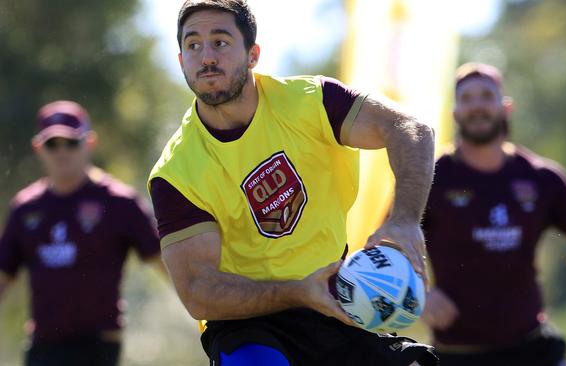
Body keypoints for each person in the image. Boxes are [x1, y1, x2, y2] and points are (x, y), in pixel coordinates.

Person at [147, 1, 438, 365]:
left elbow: (411, 129)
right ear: (181, 62)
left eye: (220, 42)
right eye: (193, 45)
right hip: (248, 324)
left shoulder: (312, 101)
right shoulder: (175, 173)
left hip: (334, 303)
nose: (206, 57)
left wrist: (405, 218)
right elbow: (198, 293)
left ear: (253, 54)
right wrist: (300, 291)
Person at [420, 62, 566, 366]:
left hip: (532, 348)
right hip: (456, 354)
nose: (477, 106)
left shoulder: (541, 178)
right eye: (467, 98)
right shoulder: (429, 178)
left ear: (506, 107)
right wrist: (421, 295)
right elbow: (386, 243)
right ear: (455, 113)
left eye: (487, 96)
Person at [0, 100, 162, 366]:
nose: (62, 152)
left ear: (89, 143)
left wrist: (206, 306)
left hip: (99, 348)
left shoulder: (119, 202)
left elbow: (166, 262)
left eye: (71, 142)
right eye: (53, 144)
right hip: (43, 348)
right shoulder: (25, 208)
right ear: (38, 148)